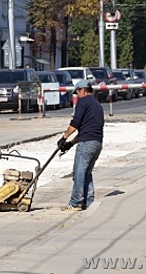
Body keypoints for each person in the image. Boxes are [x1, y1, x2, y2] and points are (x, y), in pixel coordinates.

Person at [57, 79, 104, 211]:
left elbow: (75, 122)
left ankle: (76, 202)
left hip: (86, 144)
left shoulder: (83, 102)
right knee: (86, 172)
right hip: (97, 143)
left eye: (77, 92)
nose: (77, 95)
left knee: (78, 172)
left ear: (83, 90)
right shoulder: (97, 104)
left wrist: (63, 137)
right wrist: (70, 144)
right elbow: (86, 130)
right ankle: (88, 201)